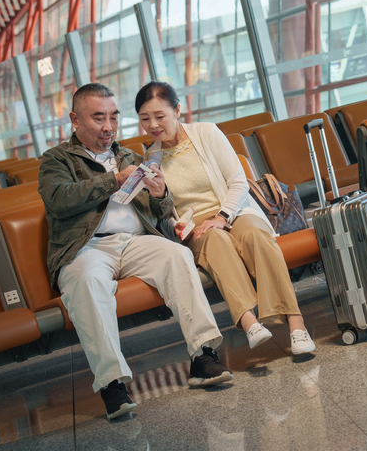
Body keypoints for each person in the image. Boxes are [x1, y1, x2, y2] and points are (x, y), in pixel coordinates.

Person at [38, 83, 233, 422]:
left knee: (176, 256)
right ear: (75, 119)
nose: (108, 126)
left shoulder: (129, 156)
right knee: (86, 282)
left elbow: (158, 212)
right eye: (98, 118)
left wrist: (160, 195)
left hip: (134, 242)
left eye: (113, 117)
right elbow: (59, 199)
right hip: (85, 248)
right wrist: (113, 180)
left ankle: (203, 356)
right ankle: (112, 384)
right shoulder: (56, 160)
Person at [136, 81, 316, 355]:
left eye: (160, 116)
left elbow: (238, 182)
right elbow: (162, 215)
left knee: (255, 234)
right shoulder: (151, 158)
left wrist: (222, 216)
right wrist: (176, 224)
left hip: (234, 209)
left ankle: (296, 322)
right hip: (197, 226)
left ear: (177, 110)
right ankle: (249, 321)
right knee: (216, 240)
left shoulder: (206, 133)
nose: (153, 125)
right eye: (145, 119)